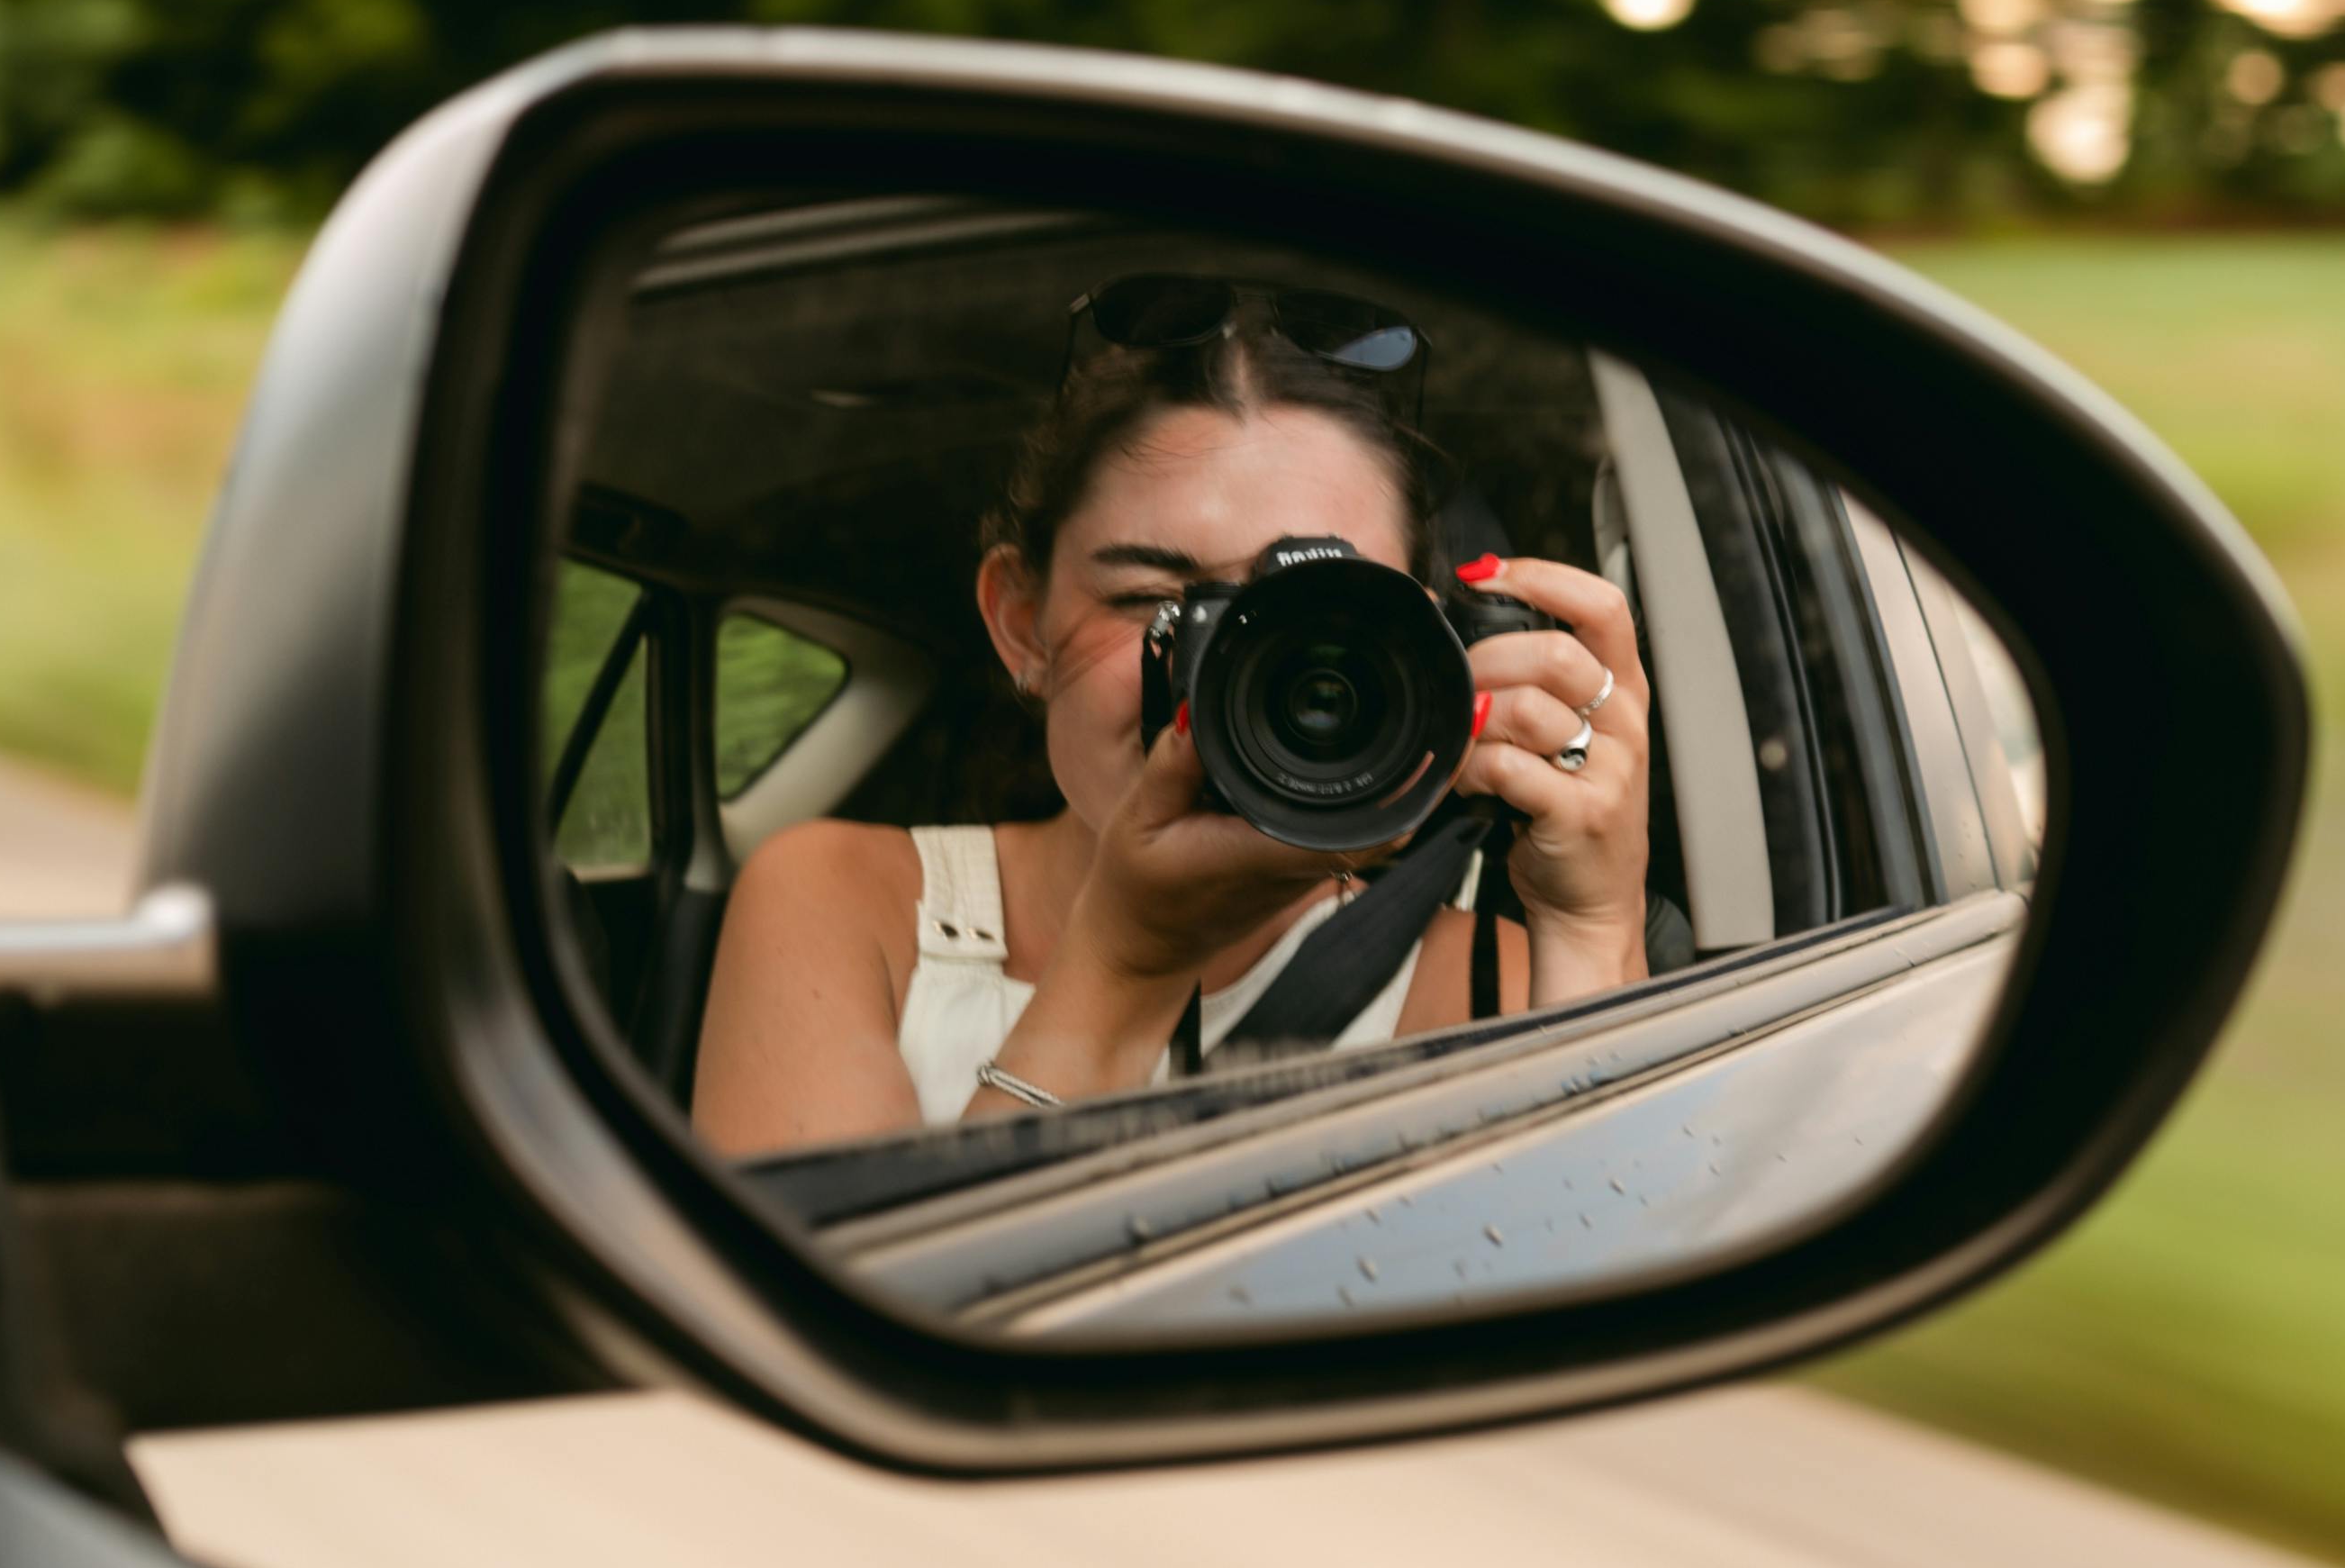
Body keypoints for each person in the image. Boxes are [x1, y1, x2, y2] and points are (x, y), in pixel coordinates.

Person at [690, 280, 1651, 1157]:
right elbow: (810, 1330)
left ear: (1425, 655)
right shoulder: (842, 903)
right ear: (1021, 624)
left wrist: (1593, 923)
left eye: (1317, 614)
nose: (1231, 668)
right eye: (1153, 597)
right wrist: (1125, 961)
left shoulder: (1505, 982)